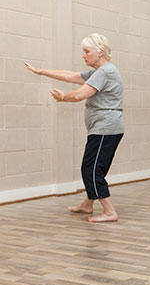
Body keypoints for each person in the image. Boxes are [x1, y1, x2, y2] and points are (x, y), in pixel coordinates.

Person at [25, 34, 124, 222]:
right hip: (105, 128)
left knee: (91, 169)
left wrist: (63, 98)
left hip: (106, 128)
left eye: (87, 52)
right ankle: (87, 204)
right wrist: (41, 71)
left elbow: (80, 95)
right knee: (96, 167)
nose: (83, 56)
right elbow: (70, 76)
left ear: (100, 52)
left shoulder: (105, 72)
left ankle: (110, 211)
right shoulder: (100, 72)